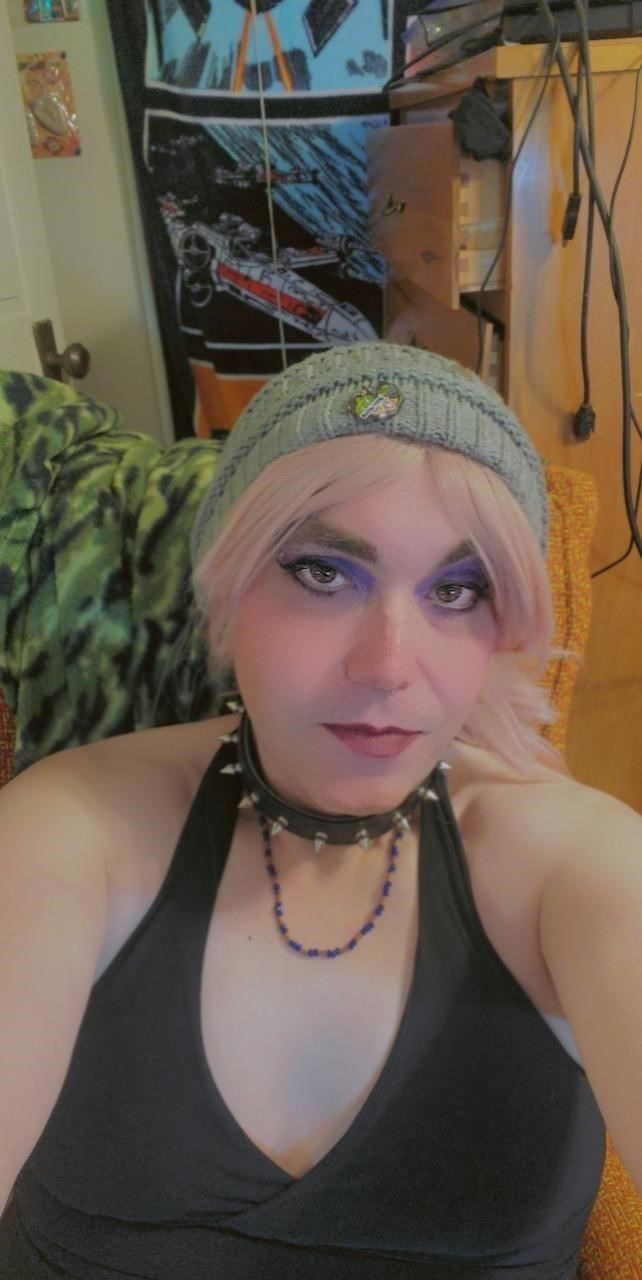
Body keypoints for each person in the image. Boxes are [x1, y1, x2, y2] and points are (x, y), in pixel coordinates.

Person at [0, 342, 640, 1279]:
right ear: (228, 585)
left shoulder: (579, 868)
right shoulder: (71, 827)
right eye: (324, 574)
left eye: (456, 590)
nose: (388, 666)